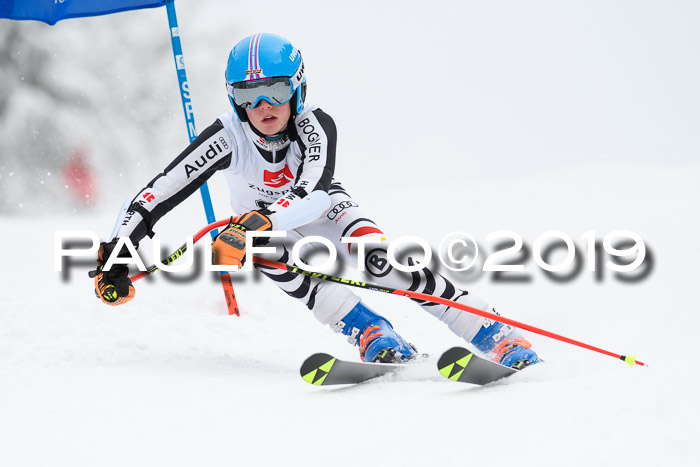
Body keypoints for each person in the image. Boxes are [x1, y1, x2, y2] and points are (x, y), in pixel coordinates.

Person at [91, 33, 541, 368]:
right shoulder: (226, 137)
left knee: (380, 262)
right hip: (262, 229)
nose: (264, 106)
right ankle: (370, 331)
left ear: (299, 89)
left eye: (278, 91)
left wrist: (256, 221)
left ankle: (492, 331)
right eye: (249, 96)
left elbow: (315, 190)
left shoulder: (315, 125)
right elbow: (159, 191)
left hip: (324, 211)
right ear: (234, 101)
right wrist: (117, 248)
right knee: (267, 255)